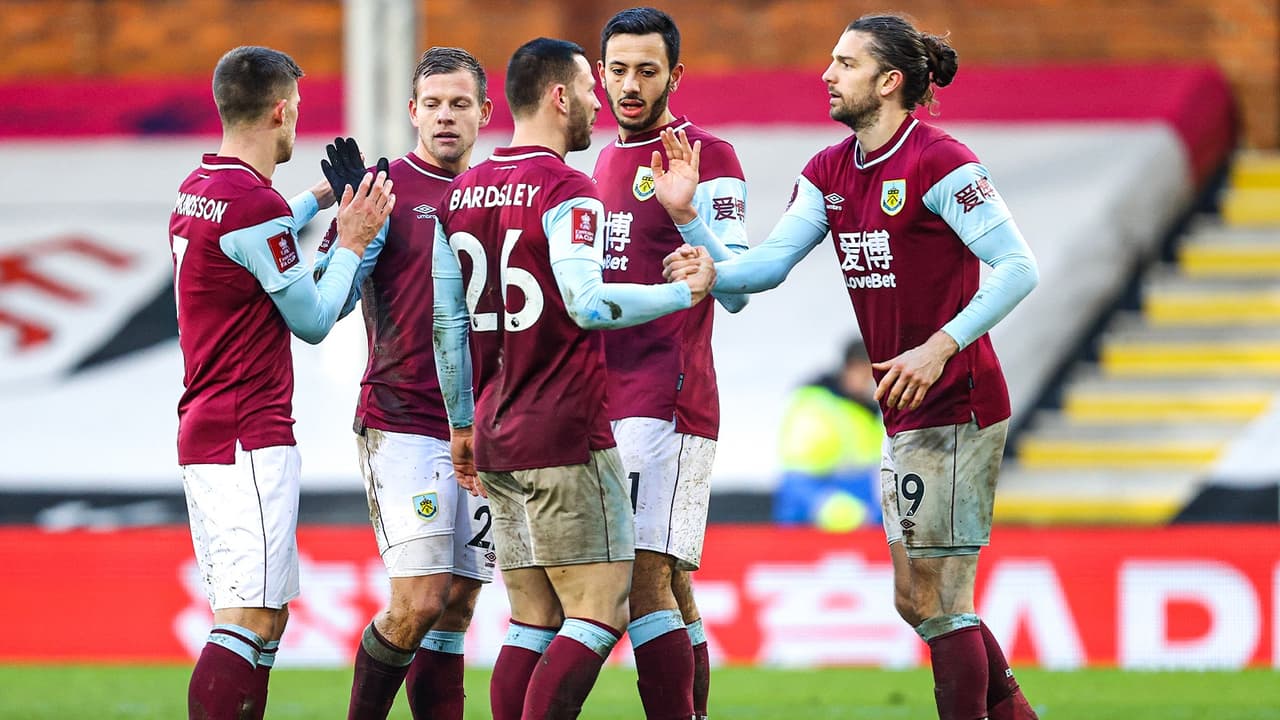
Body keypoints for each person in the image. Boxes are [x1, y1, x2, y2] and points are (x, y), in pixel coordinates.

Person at [660, 14, 1040, 720]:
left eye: (844, 63)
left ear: (889, 82)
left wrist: (940, 345)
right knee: (916, 599)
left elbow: (1019, 267)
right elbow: (761, 272)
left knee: (942, 599)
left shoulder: (940, 160)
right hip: (904, 411)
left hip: (958, 400)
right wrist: (691, 222)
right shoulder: (829, 170)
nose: (827, 75)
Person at [431, 37, 716, 720]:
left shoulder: (463, 189)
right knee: (603, 606)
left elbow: (447, 326)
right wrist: (683, 294)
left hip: (496, 433)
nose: (598, 102)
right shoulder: (567, 188)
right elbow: (588, 303)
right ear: (559, 96)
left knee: (532, 618)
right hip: (563, 430)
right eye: (591, 88)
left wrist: (463, 421)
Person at [170, 45, 394, 720]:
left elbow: (248, 240)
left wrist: (317, 201)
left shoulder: (200, 189)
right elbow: (317, 319)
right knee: (248, 619)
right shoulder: (251, 206)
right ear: (280, 109)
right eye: (295, 107)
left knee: (260, 624)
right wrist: (349, 238)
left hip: (207, 428)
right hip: (248, 433)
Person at [312, 47, 495, 720]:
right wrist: (353, 232)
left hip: (482, 430)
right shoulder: (384, 190)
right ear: (413, 112)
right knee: (418, 598)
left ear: (484, 112)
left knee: (457, 604)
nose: (446, 117)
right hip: (403, 421)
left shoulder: (494, 191)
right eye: (434, 104)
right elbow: (323, 303)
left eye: (460, 103)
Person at [591, 8, 748, 719]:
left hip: (671, 399)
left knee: (643, 578)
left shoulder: (710, 155)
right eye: (618, 69)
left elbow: (738, 282)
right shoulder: (599, 162)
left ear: (674, 76)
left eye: (646, 70)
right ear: (600, 73)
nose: (630, 84)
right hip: (604, 401)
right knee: (666, 584)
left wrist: (694, 228)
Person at [773, 337, 884, 530]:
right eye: (866, 375)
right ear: (850, 368)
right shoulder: (816, 404)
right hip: (815, 505)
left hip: (858, 502)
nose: (870, 384)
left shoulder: (871, 410)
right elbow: (798, 480)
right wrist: (850, 513)